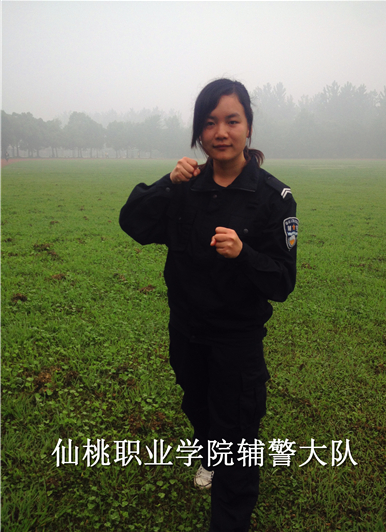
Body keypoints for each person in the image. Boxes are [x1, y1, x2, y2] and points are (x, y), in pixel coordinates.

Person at [119, 78, 298, 532]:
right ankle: (208, 453)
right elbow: (132, 223)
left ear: (248, 128)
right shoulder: (185, 186)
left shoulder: (273, 199)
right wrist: (166, 183)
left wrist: (244, 254)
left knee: (237, 436)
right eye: (210, 122)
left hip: (236, 342)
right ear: (199, 132)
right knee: (198, 407)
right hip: (186, 333)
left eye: (232, 121)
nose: (221, 132)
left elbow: (282, 281)